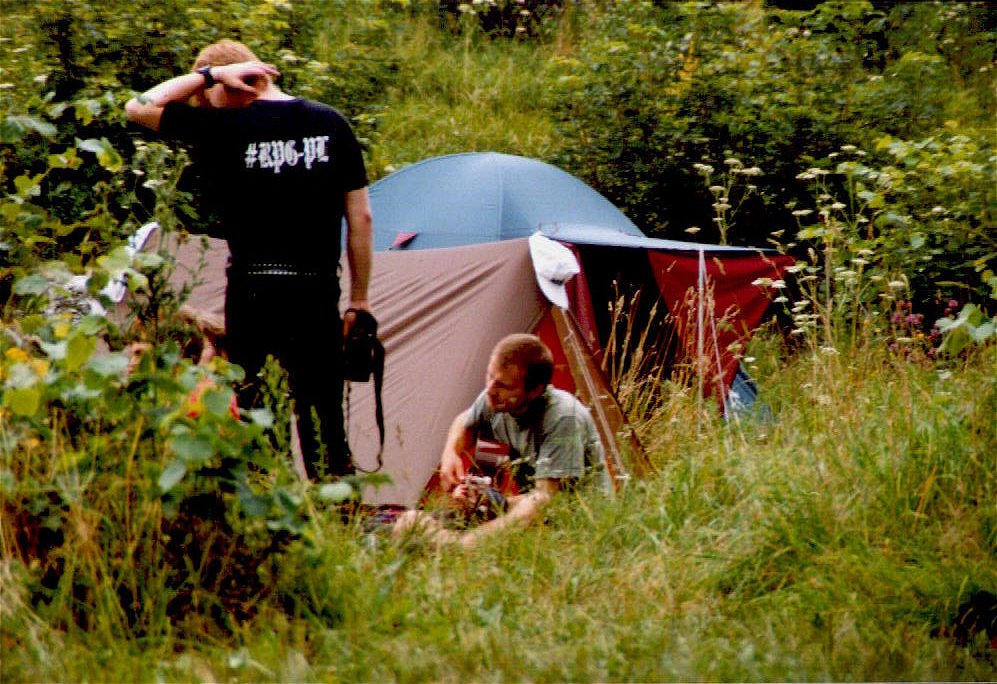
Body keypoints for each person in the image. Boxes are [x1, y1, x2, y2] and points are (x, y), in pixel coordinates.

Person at [125, 40, 373, 480]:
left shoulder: (226, 127)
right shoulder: (332, 123)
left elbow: (138, 107)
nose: (205, 106)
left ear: (234, 82)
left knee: (258, 422)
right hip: (316, 293)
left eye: (208, 97)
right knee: (325, 423)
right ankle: (336, 507)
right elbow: (361, 218)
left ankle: (270, 505)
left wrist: (209, 76)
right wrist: (359, 300)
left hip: (252, 294)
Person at [394, 334, 605, 547]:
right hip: (528, 508)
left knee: (438, 541)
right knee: (409, 524)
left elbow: (545, 501)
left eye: (504, 385)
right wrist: (451, 453)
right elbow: (466, 422)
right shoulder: (495, 399)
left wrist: (466, 543)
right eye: (490, 376)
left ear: (535, 391)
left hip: (572, 524)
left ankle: (453, 548)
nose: (491, 390)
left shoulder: (563, 418)